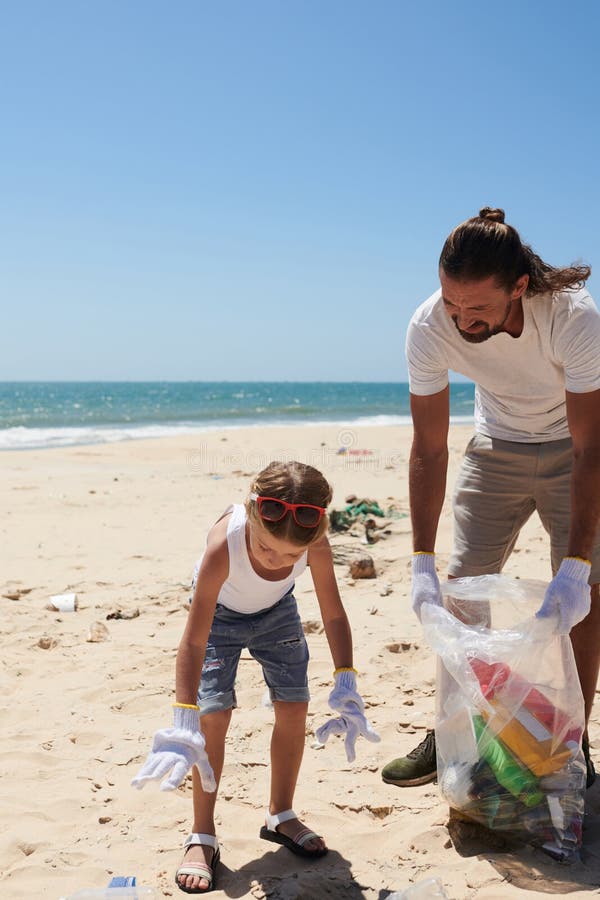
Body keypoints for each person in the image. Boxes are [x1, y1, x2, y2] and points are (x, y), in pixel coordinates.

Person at [381, 207, 600, 791]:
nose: (461, 319)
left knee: (585, 595)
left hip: (571, 449)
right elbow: (428, 447)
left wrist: (578, 566)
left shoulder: (573, 319)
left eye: (477, 308)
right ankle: (450, 732)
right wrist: (421, 562)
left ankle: (572, 742)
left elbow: (590, 450)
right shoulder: (429, 326)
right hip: (496, 445)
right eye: (452, 302)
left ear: (519, 287)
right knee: (461, 590)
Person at [132, 460, 379, 894]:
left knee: (293, 706)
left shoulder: (314, 543)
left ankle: (280, 814)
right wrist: (183, 714)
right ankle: (202, 835)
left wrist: (345, 678)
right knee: (213, 718)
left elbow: (333, 611)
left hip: (277, 614)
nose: (278, 560)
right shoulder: (223, 546)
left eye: (292, 556)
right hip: (219, 619)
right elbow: (192, 641)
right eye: (267, 549)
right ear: (250, 516)